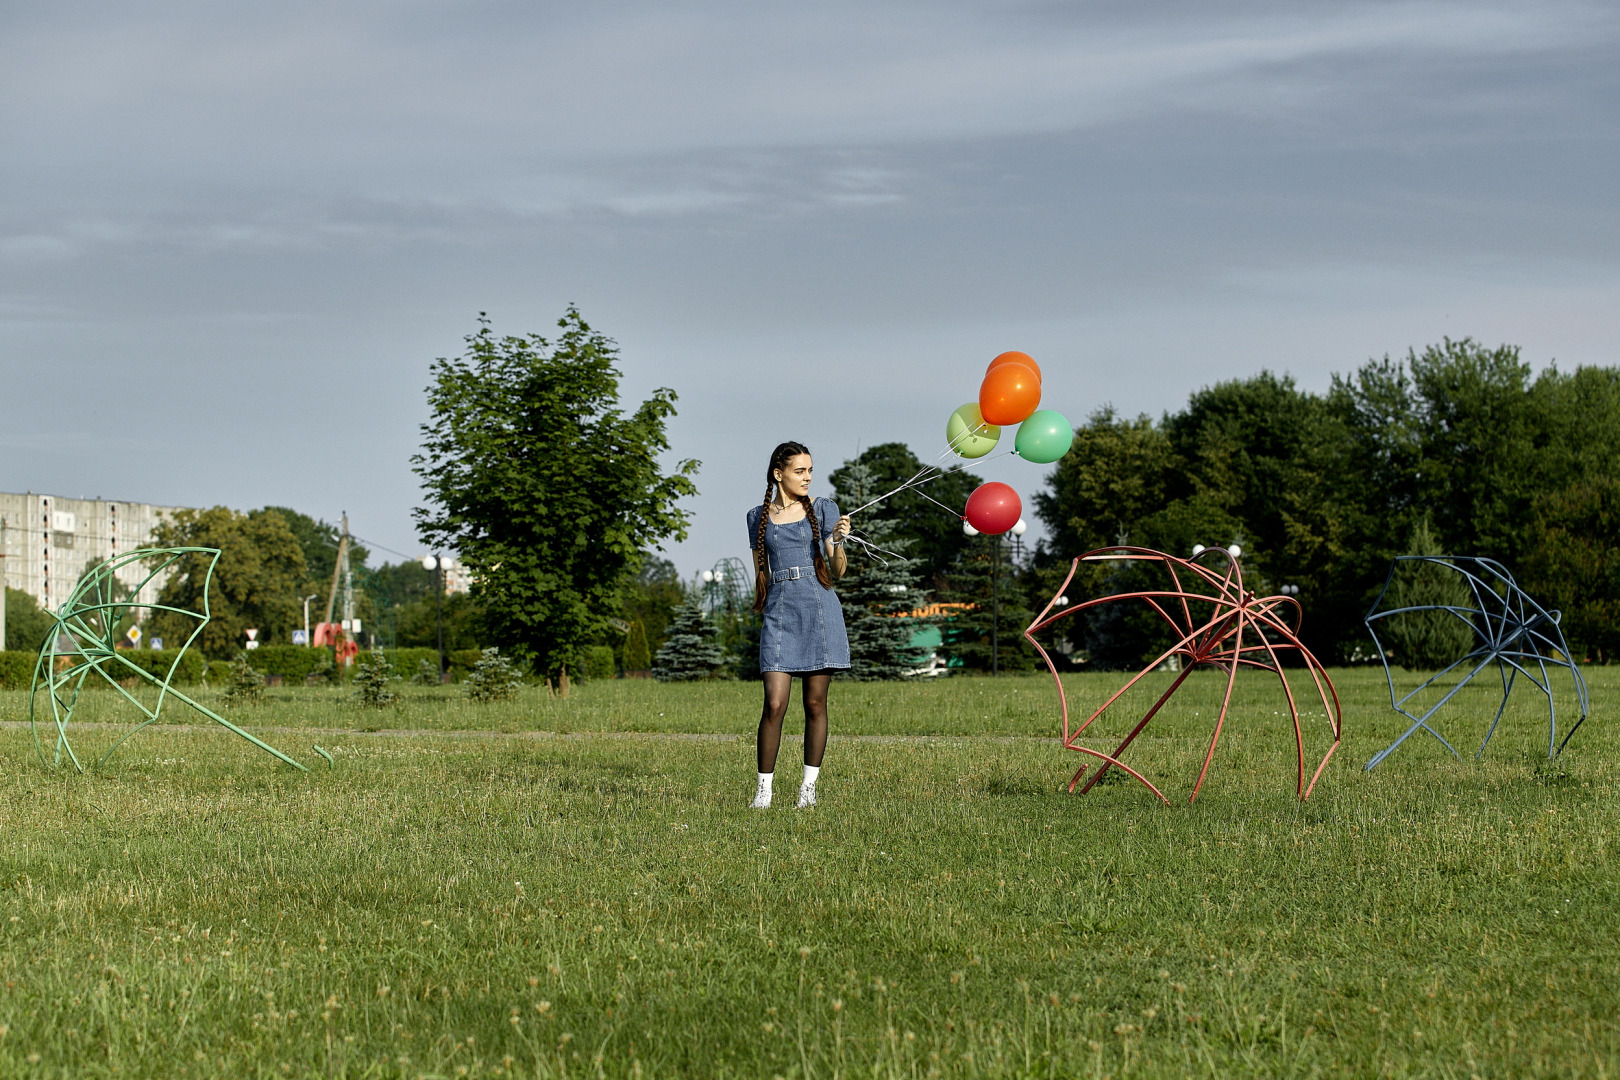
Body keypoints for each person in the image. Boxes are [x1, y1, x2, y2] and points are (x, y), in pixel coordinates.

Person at [746, 441, 852, 809]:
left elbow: (837, 570)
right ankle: (764, 790)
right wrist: (761, 607)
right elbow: (761, 572)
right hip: (779, 612)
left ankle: (808, 789)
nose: (807, 477)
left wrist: (838, 542)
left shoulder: (823, 509)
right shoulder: (756, 516)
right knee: (774, 704)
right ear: (779, 474)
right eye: (799, 471)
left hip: (818, 609)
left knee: (815, 703)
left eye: (810, 470)